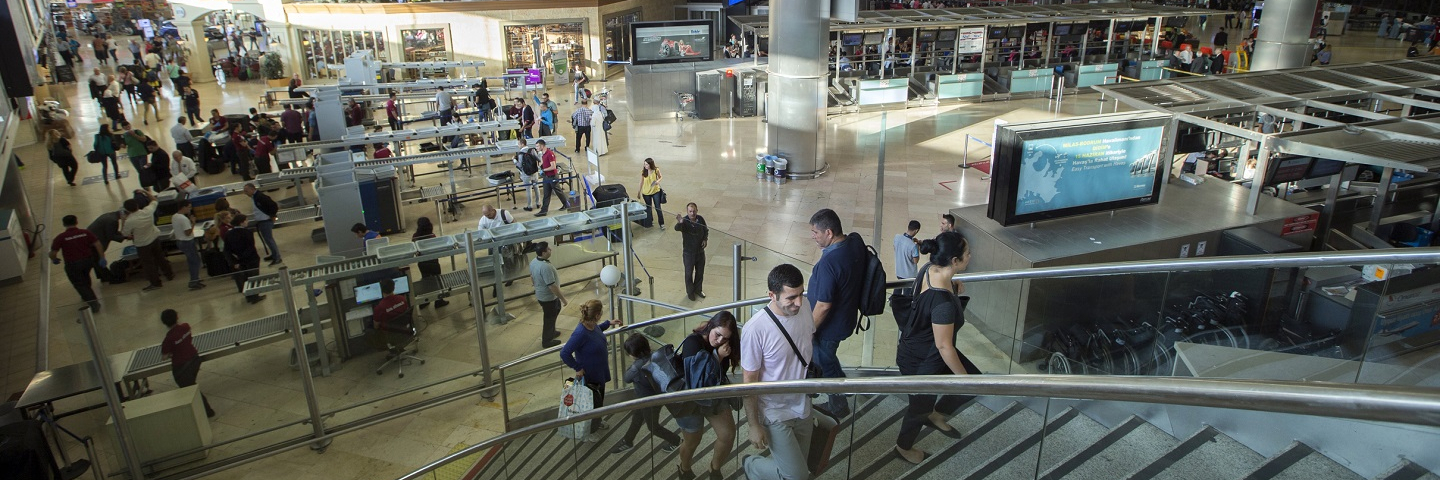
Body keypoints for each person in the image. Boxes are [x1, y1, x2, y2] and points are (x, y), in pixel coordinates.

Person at [893, 232, 975, 463]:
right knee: (918, 407)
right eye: (967, 253)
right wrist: (965, 380)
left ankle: (934, 413)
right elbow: (943, 346)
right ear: (955, 261)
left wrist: (953, 284)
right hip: (922, 360)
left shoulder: (930, 268)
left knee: (974, 380)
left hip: (922, 349)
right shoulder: (943, 305)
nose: (971, 255)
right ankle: (903, 447)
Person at [741, 264, 825, 480]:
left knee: (800, 468)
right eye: (790, 298)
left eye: (800, 294)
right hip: (774, 411)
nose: (798, 302)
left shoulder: (804, 306)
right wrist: (753, 424)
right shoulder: (756, 329)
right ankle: (752, 465)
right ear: (772, 295)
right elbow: (749, 381)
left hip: (802, 404)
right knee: (796, 476)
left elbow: (807, 340)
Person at [807, 208, 865, 419]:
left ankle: (838, 405)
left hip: (829, 326)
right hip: (846, 318)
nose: (813, 236)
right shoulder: (854, 243)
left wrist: (809, 329)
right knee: (826, 357)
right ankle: (839, 387)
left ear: (829, 233)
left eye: (816, 232)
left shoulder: (830, 263)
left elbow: (823, 305)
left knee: (825, 361)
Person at [674, 312, 741, 479]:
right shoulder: (693, 342)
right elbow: (697, 382)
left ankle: (715, 468)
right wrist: (717, 357)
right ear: (711, 326)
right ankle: (684, 468)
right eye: (717, 334)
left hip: (713, 396)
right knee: (693, 440)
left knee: (727, 434)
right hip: (689, 397)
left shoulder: (725, 347)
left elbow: (721, 374)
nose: (719, 341)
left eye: (725, 338)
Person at [559, 299, 623, 434]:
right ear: (597, 315)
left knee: (599, 401)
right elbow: (565, 353)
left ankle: (596, 422)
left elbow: (596, 330)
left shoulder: (591, 325)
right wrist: (577, 367)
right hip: (590, 376)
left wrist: (608, 324)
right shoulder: (580, 333)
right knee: (593, 404)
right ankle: (591, 431)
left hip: (599, 372)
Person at [611, 334, 683, 454]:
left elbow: (627, 378)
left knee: (653, 427)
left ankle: (676, 441)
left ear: (634, 353)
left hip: (649, 401)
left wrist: (634, 365)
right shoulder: (655, 356)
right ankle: (628, 440)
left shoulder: (637, 367)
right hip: (654, 396)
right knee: (637, 418)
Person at [160, 309, 217, 418]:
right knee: (191, 383)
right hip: (194, 360)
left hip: (182, 368)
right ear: (177, 317)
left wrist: (173, 353)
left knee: (191, 389)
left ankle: (208, 411)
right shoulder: (185, 327)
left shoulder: (168, 339)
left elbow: (164, 356)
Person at [49, 215, 107, 311]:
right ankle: (87, 296)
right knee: (85, 277)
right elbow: (97, 244)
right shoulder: (85, 233)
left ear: (64, 224)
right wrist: (102, 257)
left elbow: (53, 252)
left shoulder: (61, 237)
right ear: (76, 222)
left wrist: (54, 259)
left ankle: (93, 303)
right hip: (88, 261)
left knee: (79, 283)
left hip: (73, 264)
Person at [121, 189, 174, 291]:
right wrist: (145, 192)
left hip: (142, 244)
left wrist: (123, 220)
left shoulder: (130, 221)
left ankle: (156, 283)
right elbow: (154, 200)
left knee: (148, 264)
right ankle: (169, 274)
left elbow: (125, 234)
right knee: (160, 257)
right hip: (154, 238)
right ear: (137, 205)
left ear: (127, 210)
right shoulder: (147, 211)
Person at [224, 214, 265, 304]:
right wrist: (242, 258)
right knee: (253, 278)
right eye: (246, 220)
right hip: (251, 259)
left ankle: (248, 296)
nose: (247, 222)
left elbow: (227, 250)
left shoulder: (229, 233)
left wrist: (234, 261)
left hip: (238, 261)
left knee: (244, 279)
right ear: (241, 222)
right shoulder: (248, 232)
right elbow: (250, 247)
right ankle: (255, 296)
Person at [529, 241, 565, 342]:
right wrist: (563, 299)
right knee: (549, 317)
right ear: (544, 253)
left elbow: (531, 276)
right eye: (548, 249)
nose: (550, 250)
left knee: (556, 310)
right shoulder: (545, 267)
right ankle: (547, 340)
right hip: (548, 297)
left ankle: (551, 331)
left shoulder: (534, 262)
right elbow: (552, 286)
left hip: (544, 295)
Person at [412, 217, 449, 309]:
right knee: (437, 280)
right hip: (433, 262)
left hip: (422, 263)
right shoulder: (432, 236)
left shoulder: (415, 236)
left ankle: (425, 301)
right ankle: (439, 301)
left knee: (425, 280)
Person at [674, 203, 709, 301]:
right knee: (689, 273)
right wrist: (680, 222)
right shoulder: (684, 221)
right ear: (687, 212)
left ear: (697, 210)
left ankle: (698, 289)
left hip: (700, 252)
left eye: (694, 211)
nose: (692, 213)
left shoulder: (700, 219)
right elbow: (677, 228)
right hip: (689, 253)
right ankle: (690, 292)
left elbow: (705, 230)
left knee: (700, 272)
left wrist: (705, 239)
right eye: (690, 211)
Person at [368, 277, 413, 351]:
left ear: (381, 289)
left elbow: (376, 326)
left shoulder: (379, 308)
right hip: (405, 330)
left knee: (368, 331)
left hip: (389, 335)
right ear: (394, 287)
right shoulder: (402, 299)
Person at [243, 183, 282, 266]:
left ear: (252, 189)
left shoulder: (260, 197)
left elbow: (273, 206)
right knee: (267, 239)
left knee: (269, 239)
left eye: (246, 191)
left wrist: (272, 216)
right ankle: (274, 254)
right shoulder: (255, 197)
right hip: (262, 221)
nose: (245, 193)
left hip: (265, 221)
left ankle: (277, 257)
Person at [171, 200, 206, 290]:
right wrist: (193, 222)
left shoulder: (175, 216)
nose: (190, 209)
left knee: (193, 260)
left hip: (180, 241)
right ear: (184, 207)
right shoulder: (183, 219)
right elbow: (188, 232)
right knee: (195, 261)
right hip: (187, 242)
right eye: (189, 207)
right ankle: (193, 281)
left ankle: (196, 278)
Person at [534, 140, 568, 216]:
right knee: (546, 194)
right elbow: (543, 163)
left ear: (542, 146)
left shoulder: (550, 154)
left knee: (558, 191)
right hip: (546, 176)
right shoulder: (543, 153)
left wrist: (543, 170)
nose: (536, 148)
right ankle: (544, 211)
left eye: (537, 146)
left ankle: (566, 204)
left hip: (552, 176)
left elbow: (553, 166)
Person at [513, 137, 541, 212]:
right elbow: (538, 159)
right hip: (534, 172)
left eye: (519, 144)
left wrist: (514, 160)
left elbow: (519, 165)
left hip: (526, 174)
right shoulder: (532, 150)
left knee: (528, 190)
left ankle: (530, 206)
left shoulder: (520, 154)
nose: (518, 145)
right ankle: (538, 203)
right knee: (536, 187)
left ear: (522, 144)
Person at [639, 158, 664, 227]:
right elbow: (641, 182)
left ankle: (661, 223)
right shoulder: (643, 172)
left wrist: (658, 181)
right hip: (646, 192)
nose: (645, 166)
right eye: (644, 164)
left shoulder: (656, 170)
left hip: (655, 191)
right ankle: (650, 221)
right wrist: (639, 191)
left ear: (650, 164)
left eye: (647, 164)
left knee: (658, 207)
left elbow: (660, 177)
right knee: (649, 208)